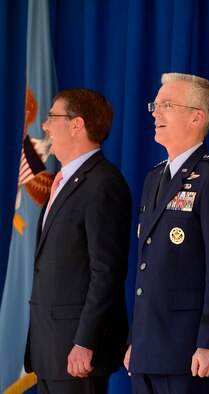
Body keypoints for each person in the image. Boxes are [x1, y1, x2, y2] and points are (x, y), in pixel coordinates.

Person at [124, 73, 209, 394]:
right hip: (148, 349)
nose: (155, 112)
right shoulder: (154, 178)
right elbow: (148, 271)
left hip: (190, 351)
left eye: (166, 105)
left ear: (197, 117)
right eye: (156, 104)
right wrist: (134, 340)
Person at [24, 89, 132, 394]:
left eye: (51, 117)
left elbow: (107, 273)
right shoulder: (63, 180)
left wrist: (85, 341)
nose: (44, 126)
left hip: (77, 351)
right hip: (49, 349)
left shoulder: (103, 183)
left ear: (76, 125)